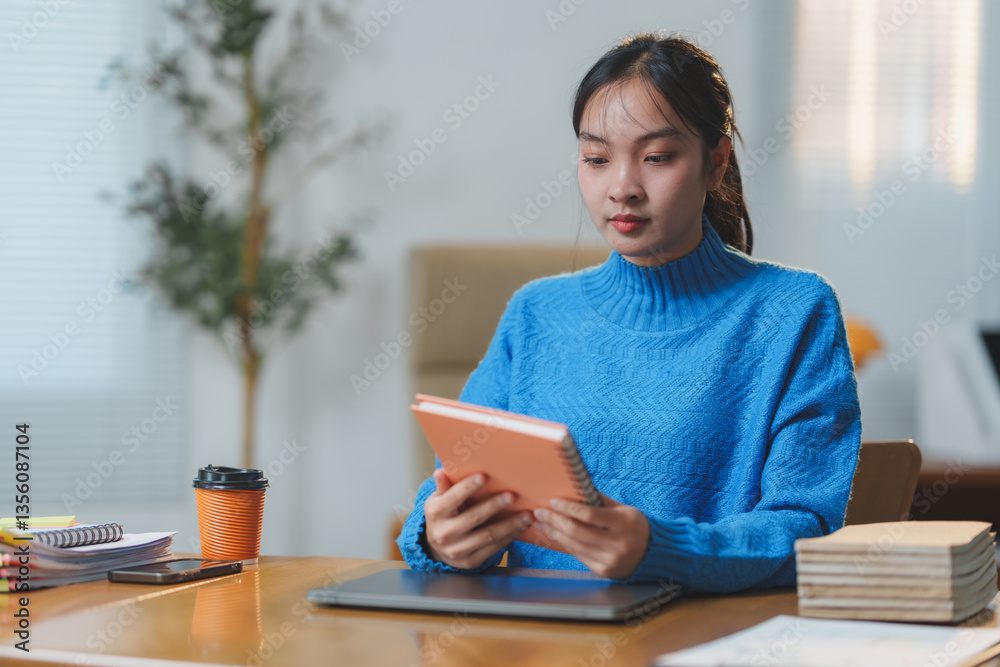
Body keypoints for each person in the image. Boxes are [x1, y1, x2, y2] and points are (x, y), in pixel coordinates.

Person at [396, 32, 861, 593]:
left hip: (700, 643)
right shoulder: (535, 313)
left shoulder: (794, 313)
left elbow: (805, 534)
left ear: (715, 164)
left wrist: (659, 549)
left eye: (657, 157)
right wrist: (435, 533)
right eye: (596, 159)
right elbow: (452, 479)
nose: (621, 188)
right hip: (533, 644)